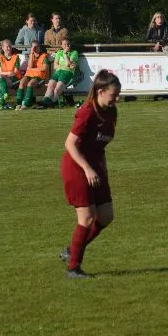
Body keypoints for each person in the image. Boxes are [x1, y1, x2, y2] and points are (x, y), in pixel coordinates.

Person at [58, 69, 121, 279]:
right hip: (77, 166)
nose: (116, 99)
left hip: (95, 166)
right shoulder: (87, 112)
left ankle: (73, 250)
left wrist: (103, 170)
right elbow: (70, 144)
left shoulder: (111, 111)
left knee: (106, 215)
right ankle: (73, 268)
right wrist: (87, 168)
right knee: (86, 218)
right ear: (100, 91)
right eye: (113, 95)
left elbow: (101, 146)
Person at [40, 38, 78, 108]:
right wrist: (66, 65)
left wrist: (65, 54)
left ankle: (50, 103)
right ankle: (45, 101)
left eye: (68, 44)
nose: (67, 46)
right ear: (62, 45)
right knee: (50, 86)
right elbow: (55, 66)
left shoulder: (74, 52)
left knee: (57, 89)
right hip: (58, 72)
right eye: (65, 44)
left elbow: (68, 64)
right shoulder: (59, 52)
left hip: (67, 72)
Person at [16, 40, 49, 109]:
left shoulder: (44, 56)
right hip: (29, 74)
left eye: (37, 47)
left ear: (39, 47)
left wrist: (32, 69)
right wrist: (31, 53)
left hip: (39, 76)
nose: (35, 48)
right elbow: (30, 66)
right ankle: (18, 103)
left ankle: (26, 104)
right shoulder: (31, 55)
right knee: (22, 82)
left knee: (30, 84)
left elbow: (44, 68)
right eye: (33, 47)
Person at [0, 39, 21, 108]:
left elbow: (15, 72)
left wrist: (7, 74)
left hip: (16, 79)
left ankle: (2, 104)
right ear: (3, 48)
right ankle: (5, 94)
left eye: (10, 46)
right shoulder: (0, 57)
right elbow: (0, 72)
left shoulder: (16, 57)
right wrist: (8, 73)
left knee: (0, 80)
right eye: (7, 47)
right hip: (5, 77)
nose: (9, 48)